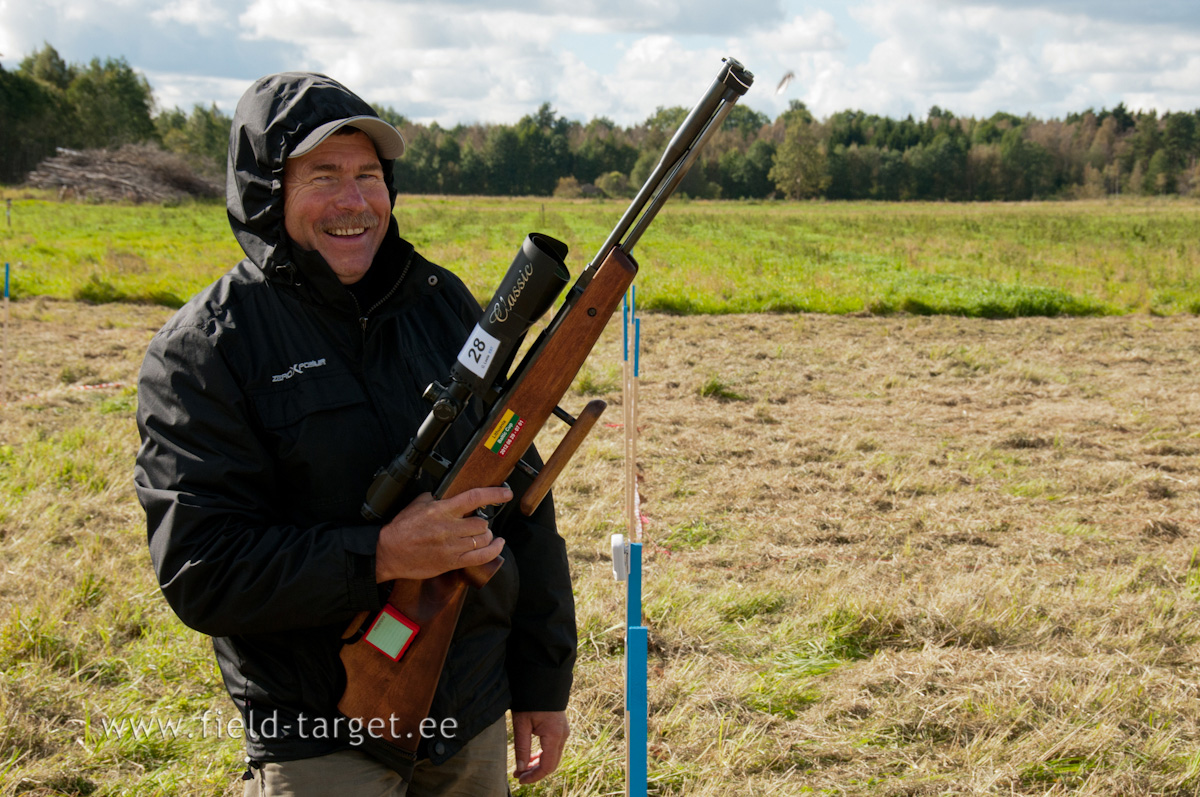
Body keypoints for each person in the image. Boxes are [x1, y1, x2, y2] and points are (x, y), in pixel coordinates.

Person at [134, 72, 576, 796]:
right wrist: (380, 553)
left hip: (469, 715)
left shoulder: (443, 307)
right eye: (324, 176)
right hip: (318, 732)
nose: (354, 201)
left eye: (369, 174)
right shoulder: (206, 349)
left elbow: (522, 498)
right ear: (267, 192)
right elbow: (202, 569)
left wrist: (541, 678)